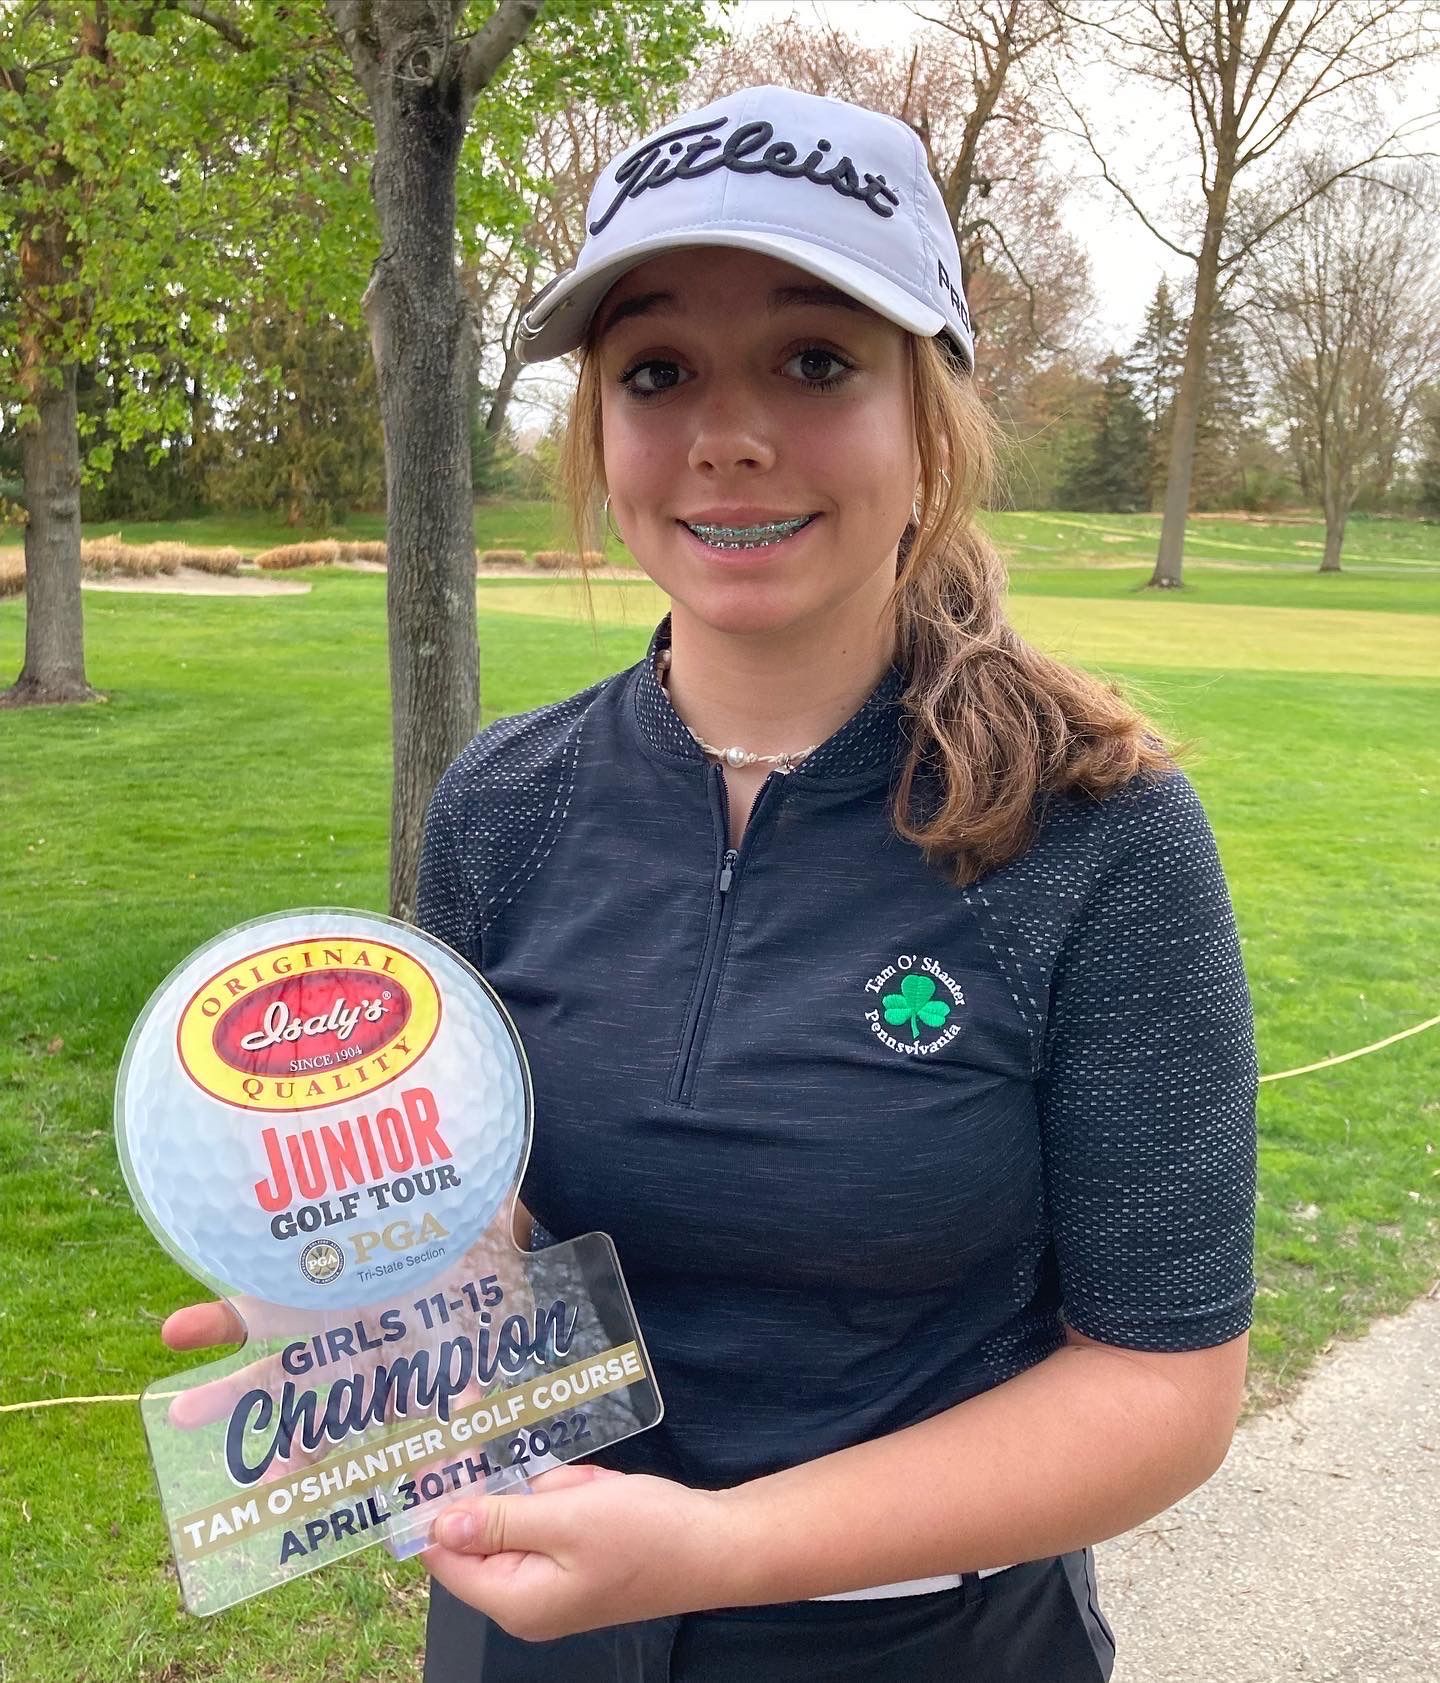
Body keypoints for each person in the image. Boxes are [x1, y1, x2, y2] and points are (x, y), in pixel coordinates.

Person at [165, 83, 1258, 1682]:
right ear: (598, 430)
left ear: (925, 415)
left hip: (923, 1648)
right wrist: (353, 1305)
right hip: (523, 1622)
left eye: (816, 362)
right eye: (656, 370)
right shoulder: (500, 808)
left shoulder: (1097, 834)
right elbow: (487, 1225)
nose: (727, 436)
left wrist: (722, 1547)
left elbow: (1165, 1389)